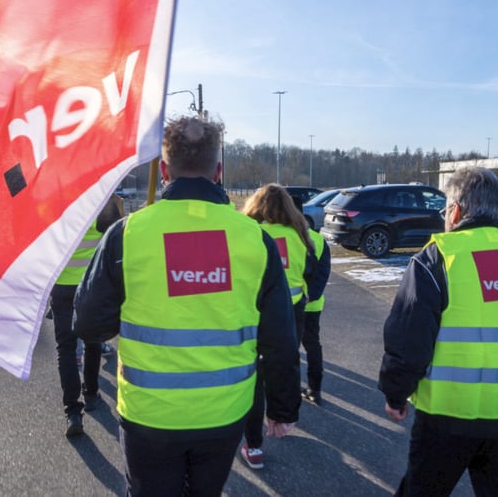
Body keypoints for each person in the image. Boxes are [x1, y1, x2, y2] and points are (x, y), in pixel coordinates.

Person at [74, 116, 300, 496]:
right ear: (219, 171)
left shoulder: (128, 234)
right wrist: (282, 407)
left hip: (150, 413)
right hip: (224, 412)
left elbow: (89, 324)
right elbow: (279, 337)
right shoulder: (254, 239)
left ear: (163, 170)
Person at [380, 166, 498, 496]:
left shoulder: (438, 258)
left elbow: (408, 338)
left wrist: (396, 392)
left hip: (448, 416)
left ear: (455, 211)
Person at [237, 183, 319, 469]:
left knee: (254, 379)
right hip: (292, 313)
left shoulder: (250, 235)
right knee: (283, 363)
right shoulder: (301, 236)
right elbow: (309, 271)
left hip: (255, 312)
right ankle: (281, 416)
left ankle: (254, 444)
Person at [51, 194, 124, 437]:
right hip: (91, 283)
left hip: (62, 283)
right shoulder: (99, 201)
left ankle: (72, 410)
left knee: (66, 348)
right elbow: (115, 236)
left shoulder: (55, 201)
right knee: (92, 339)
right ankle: (91, 392)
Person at [300, 223, 330, 406]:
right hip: (312, 304)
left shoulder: (284, 236)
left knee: (288, 348)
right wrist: (312, 294)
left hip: (289, 303)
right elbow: (323, 272)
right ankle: (314, 389)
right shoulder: (318, 239)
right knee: (312, 345)